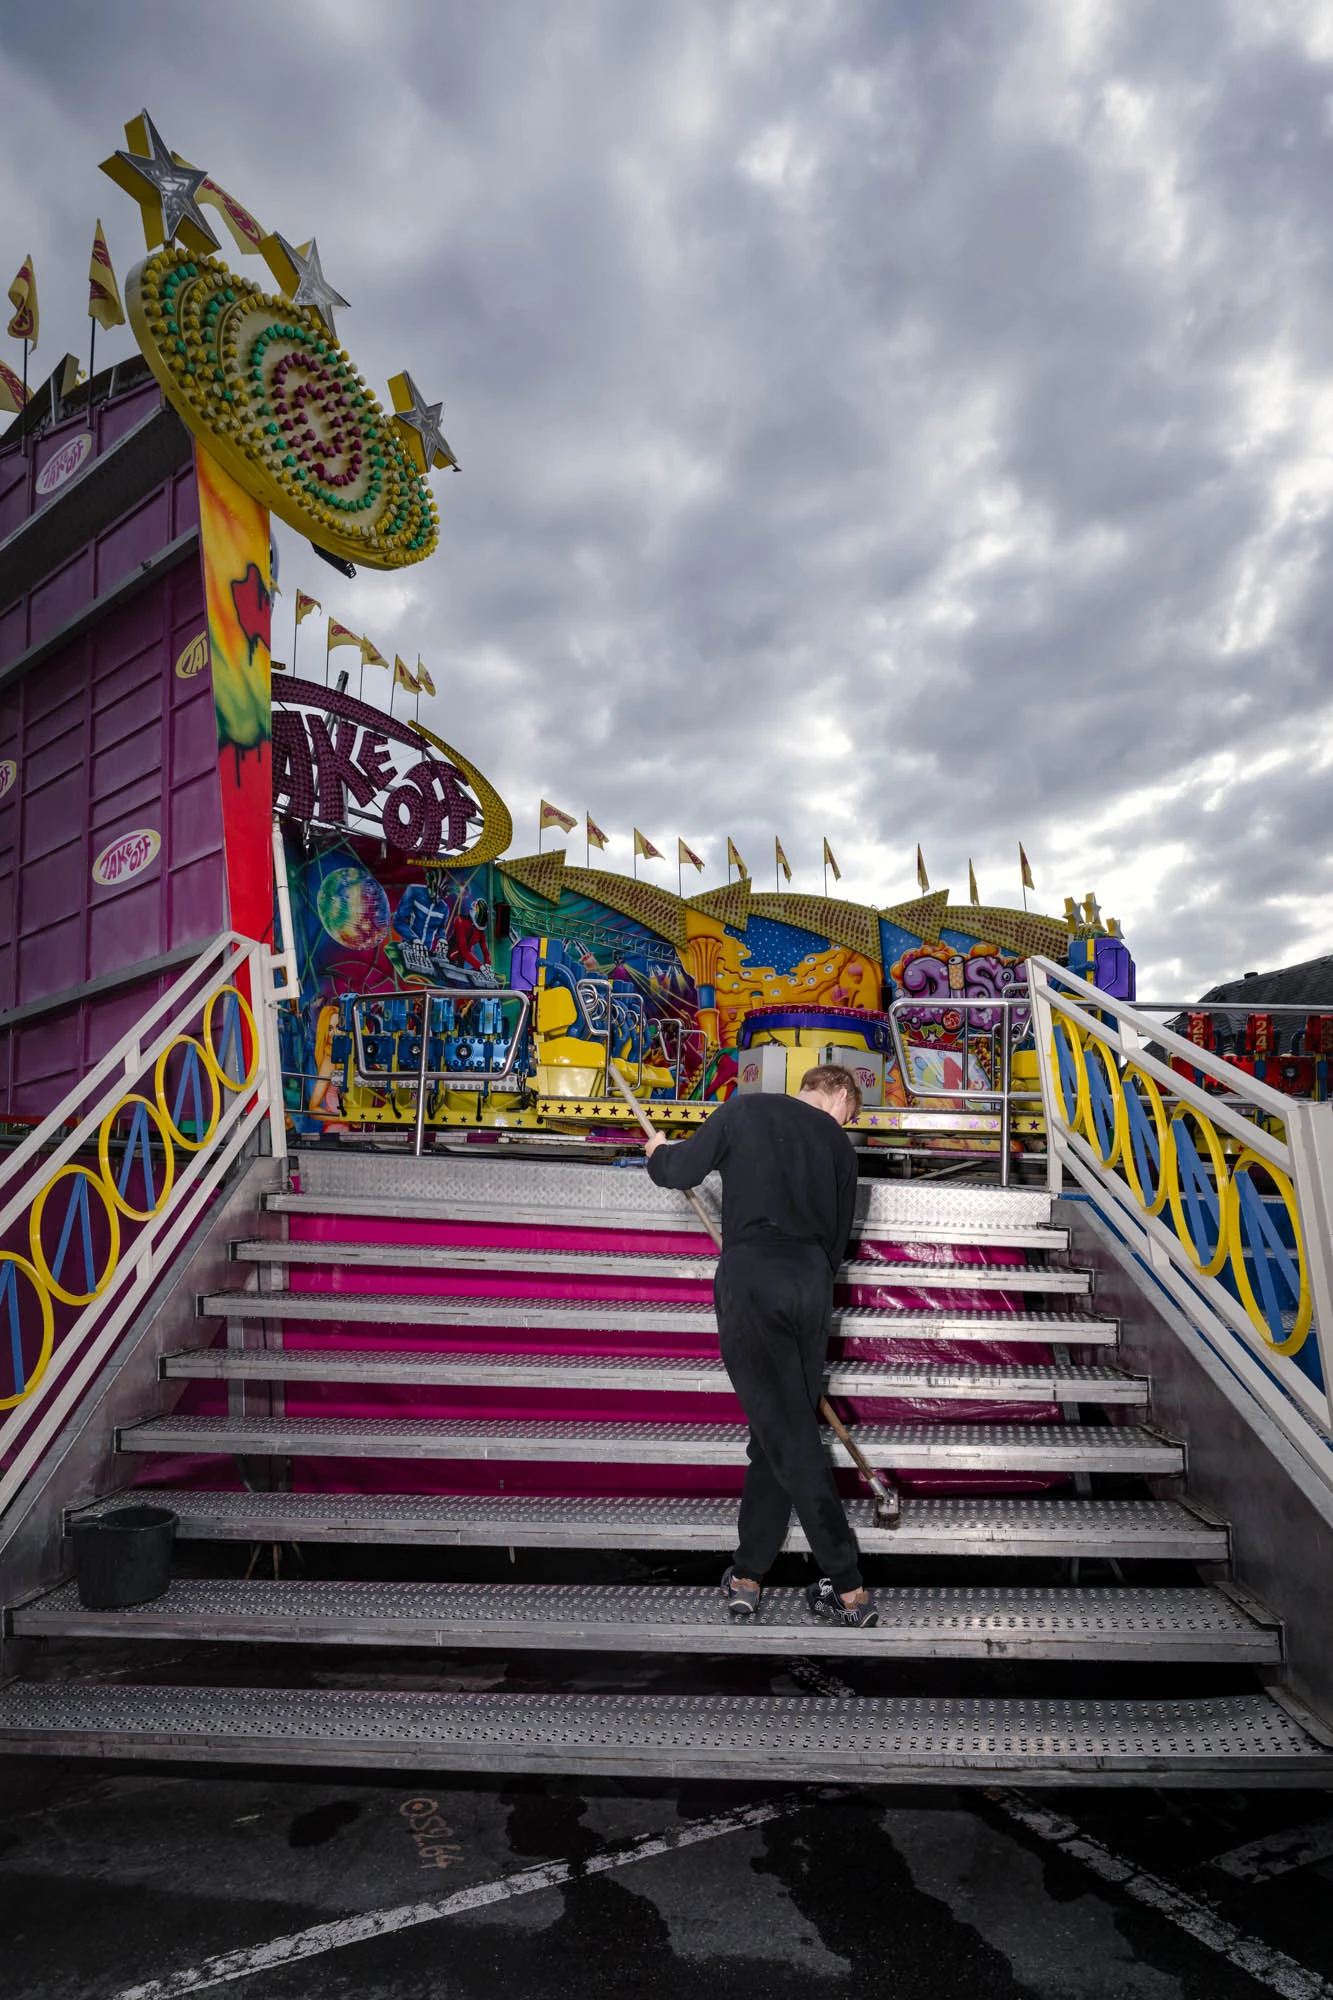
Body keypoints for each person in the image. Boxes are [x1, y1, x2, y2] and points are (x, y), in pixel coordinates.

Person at [644, 1061, 878, 1628]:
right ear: (839, 1093)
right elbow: (838, 1241)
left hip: (751, 1278)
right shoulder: (839, 1150)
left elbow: (680, 1170)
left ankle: (848, 1584)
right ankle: (748, 1574)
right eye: (854, 1112)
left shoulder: (744, 1108)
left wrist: (656, 1152)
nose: (850, 1122)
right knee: (775, 1434)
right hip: (810, 1286)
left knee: (788, 1434)